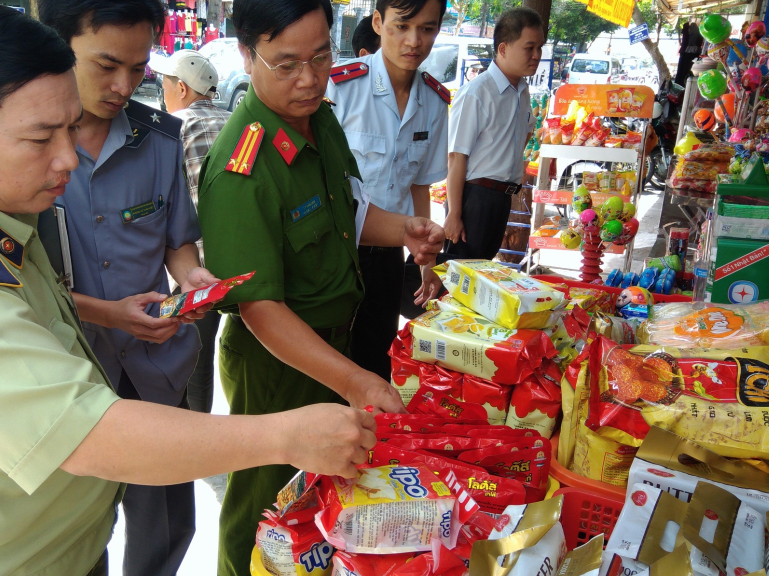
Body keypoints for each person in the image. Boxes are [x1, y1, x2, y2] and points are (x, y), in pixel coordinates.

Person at [0, 3, 378, 576]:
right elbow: (87, 434)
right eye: (41, 138)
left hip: (67, 542)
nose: (65, 160)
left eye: (68, 129)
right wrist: (286, 436)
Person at [196, 1, 446, 574]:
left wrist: (402, 229)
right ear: (245, 55)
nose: (308, 78)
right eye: (286, 64)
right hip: (277, 360)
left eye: (320, 56)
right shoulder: (242, 168)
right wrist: (356, 379)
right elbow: (259, 308)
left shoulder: (321, 119)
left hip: (337, 342)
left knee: (315, 500)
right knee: (262, 506)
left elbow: (347, 210)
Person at [36, 2, 213, 574]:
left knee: (163, 522)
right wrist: (106, 313)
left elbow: (176, 240)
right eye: (107, 65)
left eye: (138, 70)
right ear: (59, 46)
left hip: (151, 365)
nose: (122, 86)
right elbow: (13, 283)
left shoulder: (159, 140)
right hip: (63, 369)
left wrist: (192, 279)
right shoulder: (26, 147)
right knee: (75, 528)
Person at [326, 0, 449, 381]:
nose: (414, 41)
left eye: (427, 29)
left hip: (387, 258)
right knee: (328, 359)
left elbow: (419, 185)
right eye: (402, 26)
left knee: (376, 358)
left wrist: (427, 262)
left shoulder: (434, 100)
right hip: (334, 248)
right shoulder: (342, 85)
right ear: (378, 22)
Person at [152, 48, 233, 415]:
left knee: (193, 356)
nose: (162, 90)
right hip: (249, 260)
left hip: (198, 267)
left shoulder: (173, 127)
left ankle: (197, 426)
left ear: (181, 88)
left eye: (164, 83)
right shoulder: (237, 122)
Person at [443, 7, 543, 260]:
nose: (536, 55)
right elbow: (456, 156)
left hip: (501, 197)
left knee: (483, 273)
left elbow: (520, 139)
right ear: (503, 49)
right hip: (474, 198)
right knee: (462, 275)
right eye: (529, 48)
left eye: (539, 48)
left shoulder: (522, 90)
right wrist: (454, 214)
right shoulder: (477, 93)